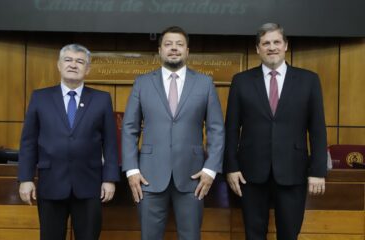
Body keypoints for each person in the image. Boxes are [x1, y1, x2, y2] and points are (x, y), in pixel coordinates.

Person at [224, 23, 327, 240]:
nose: (272, 47)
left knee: (289, 234)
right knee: (253, 234)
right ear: (258, 49)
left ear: (286, 45)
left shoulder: (308, 80)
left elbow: (317, 129)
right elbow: (232, 128)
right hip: (250, 174)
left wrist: (317, 171)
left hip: (293, 170)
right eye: (266, 43)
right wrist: (231, 167)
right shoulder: (241, 81)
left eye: (276, 42)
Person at [122, 26, 225, 240]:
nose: (174, 49)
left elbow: (216, 129)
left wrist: (211, 169)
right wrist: (131, 170)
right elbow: (130, 128)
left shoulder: (204, 83)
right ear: (159, 50)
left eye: (179, 44)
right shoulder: (142, 83)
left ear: (187, 51)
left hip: (193, 177)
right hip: (148, 178)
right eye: (168, 44)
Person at [18, 43, 120, 240]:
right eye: (68, 60)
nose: (74, 65)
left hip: (90, 185)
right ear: (59, 65)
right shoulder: (40, 97)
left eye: (80, 61)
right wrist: (26, 178)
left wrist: (109, 179)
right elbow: (29, 141)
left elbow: (110, 143)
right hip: (51, 182)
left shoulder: (101, 99)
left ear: (87, 69)